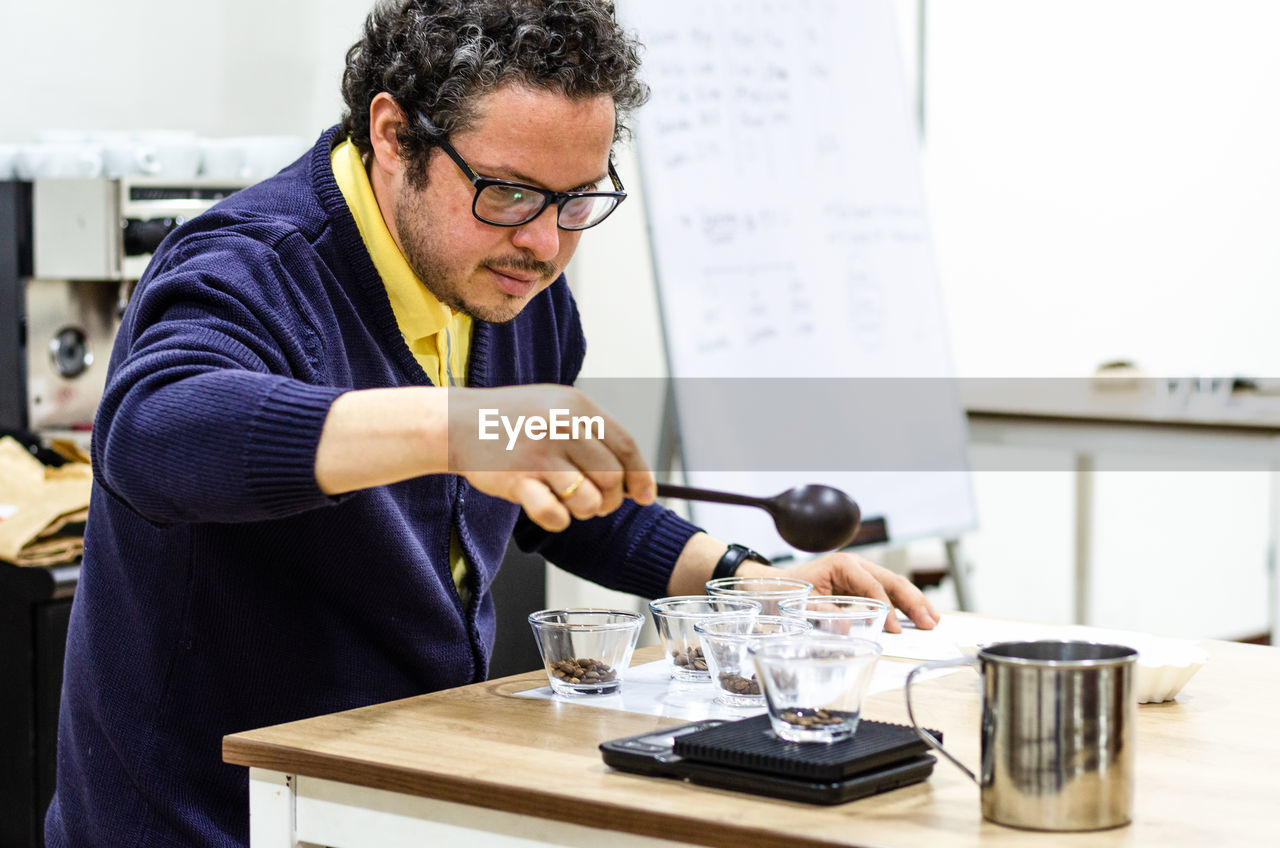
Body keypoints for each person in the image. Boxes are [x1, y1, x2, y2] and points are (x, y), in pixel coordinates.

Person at [46, 1, 939, 845]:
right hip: (206, 817)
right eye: (509, 194)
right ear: (395, 136)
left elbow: (567, 497)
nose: (546, 244)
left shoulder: (511, 288)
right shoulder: (250, 267)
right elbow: (154, 433)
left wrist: (748, 581)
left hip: (382, 795)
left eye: (578, 199)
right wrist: (456, 424)